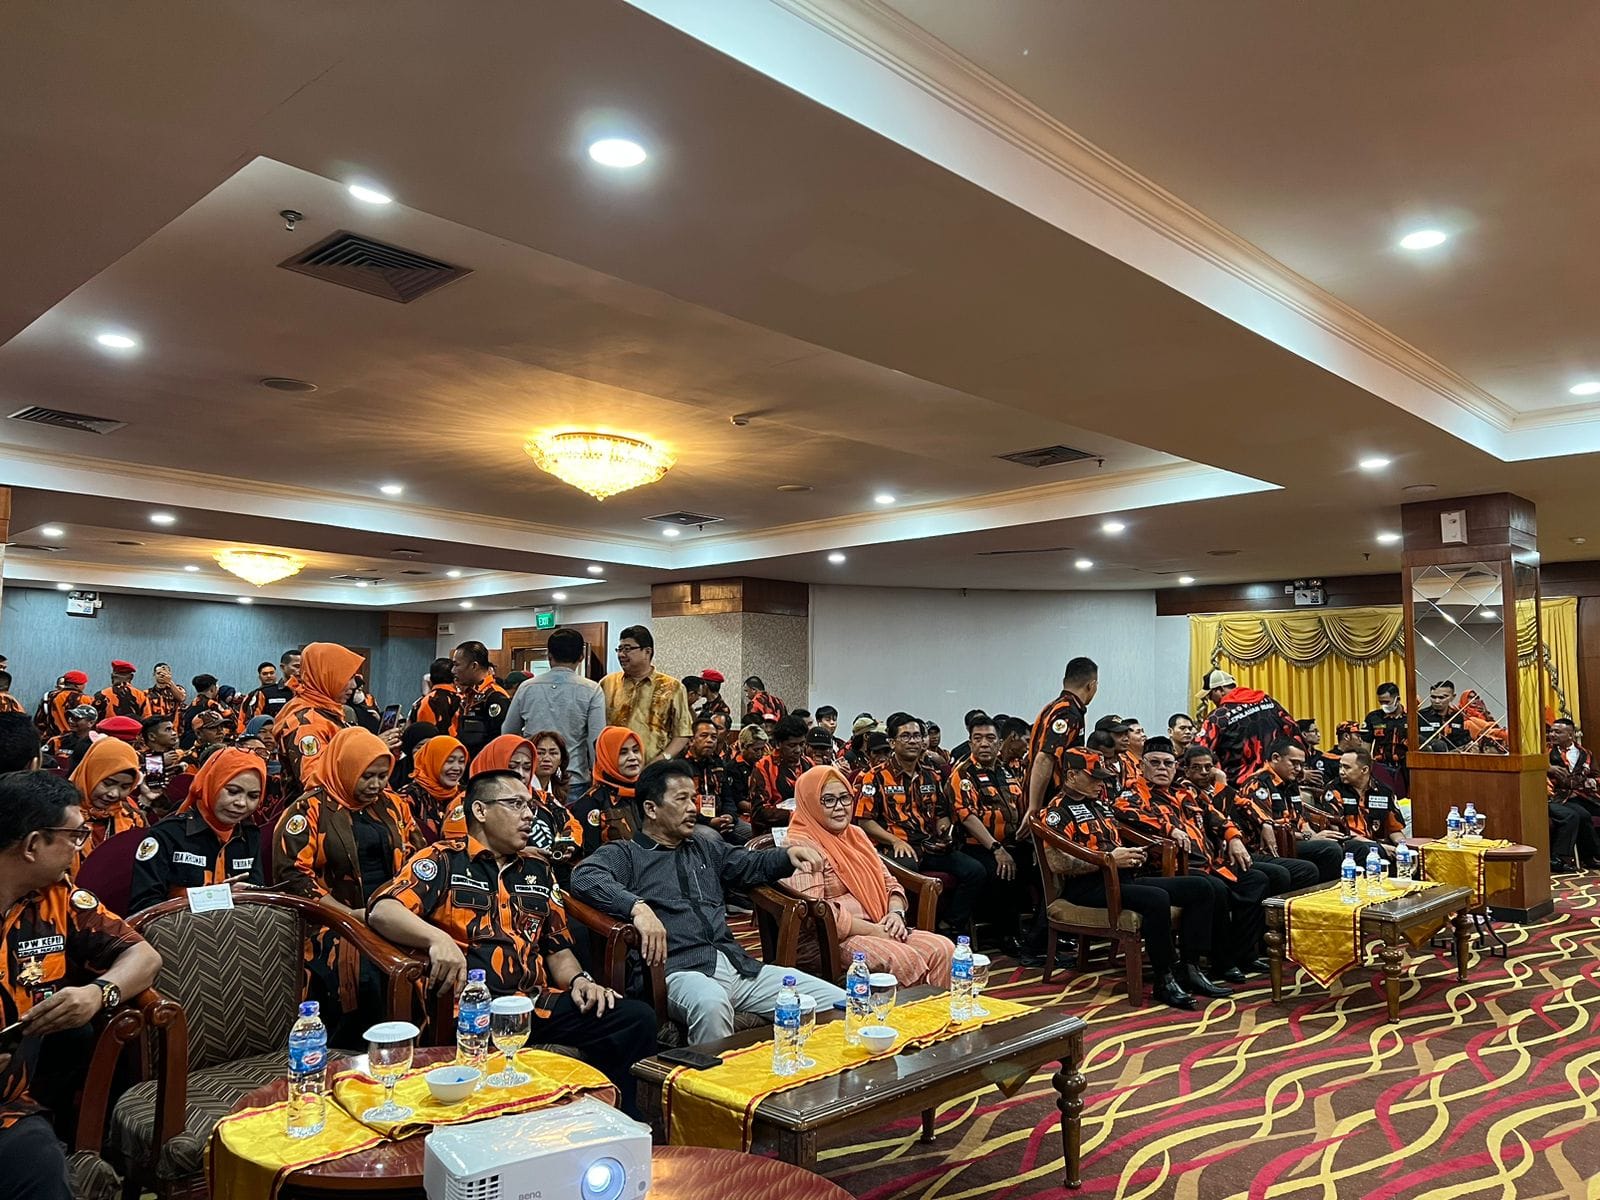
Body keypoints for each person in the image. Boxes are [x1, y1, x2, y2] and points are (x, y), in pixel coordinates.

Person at [369, 769, 657, 1111]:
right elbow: (383, 910)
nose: (529, 815)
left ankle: (613, 1119)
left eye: (529, 805)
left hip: (533, 1005)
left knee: (634, 1018)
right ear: (480, 810)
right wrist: (437, 938)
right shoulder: (443, 859)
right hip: (470, 1011)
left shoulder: (538, 869)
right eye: (516, 804)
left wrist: (581, 981)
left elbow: (558, 950)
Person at [571, 759, 845, 1043]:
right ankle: (715, 1074)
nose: (693, 808)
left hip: (739, 967)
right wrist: (637, 907)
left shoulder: (703, 847)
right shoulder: (627, 854)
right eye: (682, 799)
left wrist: (786, 856)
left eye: (693, 799)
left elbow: (748, 863)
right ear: (651, 809)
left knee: (838, 1003)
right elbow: (584, 876)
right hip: (678, 972)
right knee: (711, 1004)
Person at [0, 771, 162, 1198]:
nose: (80, 846)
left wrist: (97, 993)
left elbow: (144, 957)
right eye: (74, 836)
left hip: (10, 1110)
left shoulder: (58, 899)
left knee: (41, 1164)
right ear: (33, 844)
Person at [1037, 750, 1223, 1010]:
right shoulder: (1057, 811)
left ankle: (1190, 967)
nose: (1101, 783)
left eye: (1103, 778)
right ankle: (1164, 978)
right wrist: (1109, 860)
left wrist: (1135, 853)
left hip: (1122, 879)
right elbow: (1057, 863)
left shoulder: (1098, 804)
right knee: (1156, 898)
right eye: (1094, 778)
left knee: (1200, 887)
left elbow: (1118, 837)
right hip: (1087, 886)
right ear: (1071, 776)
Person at [273, 727, 423, 1036]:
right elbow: (293, 876)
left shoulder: (392, 804)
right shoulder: (309, 809)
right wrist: (349, 915)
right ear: (345, 767)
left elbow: (418, 856)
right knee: (366, 974)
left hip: (395, 911)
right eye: (367, 776)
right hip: (331, 918)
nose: (376, 785)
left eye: (382, 776)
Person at [1112, 737, 1269, 984]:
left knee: (1255, 880)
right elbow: (1125, 813)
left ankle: (1241, 953)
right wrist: (1169, 829)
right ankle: (1218, 962)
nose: (1162, 768)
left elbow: (1215, 816)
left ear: (1175, 767)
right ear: (1142, 766)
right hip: (1169, 869)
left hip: (1208, 863)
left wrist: (1234, 837)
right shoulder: (1132, 794)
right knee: (1214, 888)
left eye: (1167, 763)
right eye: (1155, 763)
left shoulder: (1185, 792)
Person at [786, 765, 954, 986]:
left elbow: (889, 882)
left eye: (845, 798)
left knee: (943, 949)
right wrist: (874, 931)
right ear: (809, 803)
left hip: (881, 923)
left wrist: (895, 914)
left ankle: (936, 1009)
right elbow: (814, 912)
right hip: (833, 939)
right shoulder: (800, 844)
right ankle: (907, 1010)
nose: (840, 807)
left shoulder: (856, 835)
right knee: (904, 959)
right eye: (828, 800)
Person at [854, 712, 985, 931]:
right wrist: (895, 841)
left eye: (917, 736)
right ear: (892, 742)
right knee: (909, 870)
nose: (913, 741)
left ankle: (948, 926)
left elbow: (942, 813)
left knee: (976, 871)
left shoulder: (931, 775)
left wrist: (945, 830)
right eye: (906, 736)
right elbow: (865, 822)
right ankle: (905, 927)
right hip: (893, 847)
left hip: (929, 845)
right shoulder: (875, 776)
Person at [129, 748, 265, 912]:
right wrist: (216, 897)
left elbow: (259, 897)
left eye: (253, 796)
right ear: (211, 784)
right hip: (179, 926)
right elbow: (144, 908)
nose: (241, 803)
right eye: (233, 791)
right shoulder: (166, 834)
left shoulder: (250, 835)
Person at [1185, 745, 1319, 895]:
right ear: (1186, 770)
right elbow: (1217, 815)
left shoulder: (1211, 788)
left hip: (1236, 849)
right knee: (1278, 874)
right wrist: (1221, 782)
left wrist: (1265, 822)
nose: (1204, 772)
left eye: (1208, 767)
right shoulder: (1186, 792)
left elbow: (1245, 803)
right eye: (1196, 767)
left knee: (1305, 869)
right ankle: (1271, 910)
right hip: (1216, 857)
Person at [949, 714, 1032, 948]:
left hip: (1012, 841)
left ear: (999, 742)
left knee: (1041, 867)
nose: (984, 744)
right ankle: (1005, 935)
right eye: (978, 739)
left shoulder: (1008, 771)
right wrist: (997, 849)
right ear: (970, 743)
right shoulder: (963, 774)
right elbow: (967, 816)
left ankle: (1039, 934)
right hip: (978, 845)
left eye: (990, 738)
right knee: (1002, 870)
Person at [502, 628, 607, 803]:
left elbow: (508, 733)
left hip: (532, 777)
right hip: (573, 778)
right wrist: (598, 779)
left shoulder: (526, 687)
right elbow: (596, 741)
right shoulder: (592, 690)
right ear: (581, 657)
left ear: (549, 656)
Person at [1236, 739, 1345, 882]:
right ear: (1276, 758)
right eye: (1294, 763)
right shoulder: (1257, 783)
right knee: (1330, 850)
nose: (1299, 769)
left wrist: (1315, 836)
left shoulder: (1291, 783)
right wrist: (1309, 838)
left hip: (1294, 840)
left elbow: (1301, 820)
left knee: (1342, 845)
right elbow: (1271, 830)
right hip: (1270, 846)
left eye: (1301, 764)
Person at [272, 642, 367, 791]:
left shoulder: (325, 710)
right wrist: (369, 755)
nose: (354, 685)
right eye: (349, 677)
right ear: (326, 677)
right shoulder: (308, 722)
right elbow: (315, 783)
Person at [600, 627, 691, 765]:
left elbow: (682, 734)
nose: (621, 654)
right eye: (619, 649)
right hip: (613, 767)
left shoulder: (672, 687)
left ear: (647, 651)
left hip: (655, 769)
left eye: (627, 649)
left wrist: (660, 761)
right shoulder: (607, 683)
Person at [1195, 669, 1302, 784]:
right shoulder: (1269, 702)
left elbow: (1199, 750)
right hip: (1277, 779)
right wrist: (1301, 767)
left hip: (1240, 784)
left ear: (1220, 690)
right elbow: (1294, 730)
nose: (1210, 700)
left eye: (1210, 695)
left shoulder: (1218, 717)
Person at [1027, 656, 1098, 822]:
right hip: (1049, 800)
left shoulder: (1054, 706)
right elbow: (1045, 758)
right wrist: (1034, 807)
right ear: (1092, 685)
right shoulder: (1067, 712)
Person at [67, 738, 146, 870]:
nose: (114, 794)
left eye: (125, 787)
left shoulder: (132, 818)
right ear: (89, 774)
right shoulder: (59, 815)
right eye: (108, 783)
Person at [1317, 749, 1404, 860]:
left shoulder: (1384, 792)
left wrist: (1402, 846)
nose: (1341, 772)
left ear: (1364, 770)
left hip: (1381, 845)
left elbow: (1394, 829)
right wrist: (1378, 847)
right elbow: (1340, 832)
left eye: (1346, 767)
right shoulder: (1333, 790)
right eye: (1340, 766)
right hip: (1349, 846)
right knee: (1368, 850)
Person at [571, 728, 644, 853]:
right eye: (623, 753)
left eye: (636, 750)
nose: (632, 757)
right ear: (607, 757)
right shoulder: (591, 802)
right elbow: (589, 855)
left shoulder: (650, 793)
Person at [680, 718, 743, 842]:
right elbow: (680, 805)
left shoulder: (718, 763)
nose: (709, 740)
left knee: (751, 833)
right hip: (694, 820)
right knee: (712, 837)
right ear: (692, 740)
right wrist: (709, 821)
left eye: (714, 737)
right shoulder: (681, 766)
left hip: (720, 817)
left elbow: (728, 798)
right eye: (704, 736)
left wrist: (729, 816)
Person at [747, 715, 812, 835]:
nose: (798, 750)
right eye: (792, 745)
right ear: (778, 744)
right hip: (773, 832)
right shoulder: (764, 766)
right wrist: (794, 815)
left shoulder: (809, 764)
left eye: (802, 744)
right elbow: (759, 812)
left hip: (807, 829)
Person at [448, 642, 511, 760]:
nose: (453, 670)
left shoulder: (495, 696)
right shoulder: (469, 694)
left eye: (456, 665)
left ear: (474, 666)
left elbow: (499, 740)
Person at [400, 735, 467, 841]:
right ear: (432, 761)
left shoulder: (466, 794)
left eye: (461, 761)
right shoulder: (408, 797)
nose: (457, 768)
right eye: (449, 761)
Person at [1363, 683, 1408, 775]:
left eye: (1387, 702)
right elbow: (1365, 746)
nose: (1384, 705)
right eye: (1381, 702)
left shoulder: (1410, 717)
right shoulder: (1373, 717)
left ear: (1397, 699)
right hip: (1381, 766)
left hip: (1405, 766)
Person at [1416, 681, 1470, 752]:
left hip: (1452, 755)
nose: (1437, 701)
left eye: (1441, 697)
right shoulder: (1420, 715)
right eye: (1433, 697)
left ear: (1453, 697)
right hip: (1427, 756)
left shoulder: (1457, 716)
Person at [410, 658, 461, 732]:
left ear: (430, 679)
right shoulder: (461, 701)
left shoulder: (418, 703)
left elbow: (409, 731)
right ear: (455, 679)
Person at [35, 671, 91, 738]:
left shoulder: (49, 696)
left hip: (53, 738)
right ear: (77, 685)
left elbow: (39, 719)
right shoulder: (86, 699)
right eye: (84, 684)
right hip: (76, 739)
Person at [1298, 719, 1341, 791]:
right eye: (1314, 731)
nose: (1319, 735)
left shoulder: (1320, 755)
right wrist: (1301, 775)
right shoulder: (1296, 755)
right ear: (1304, 734)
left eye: (1318, 731)